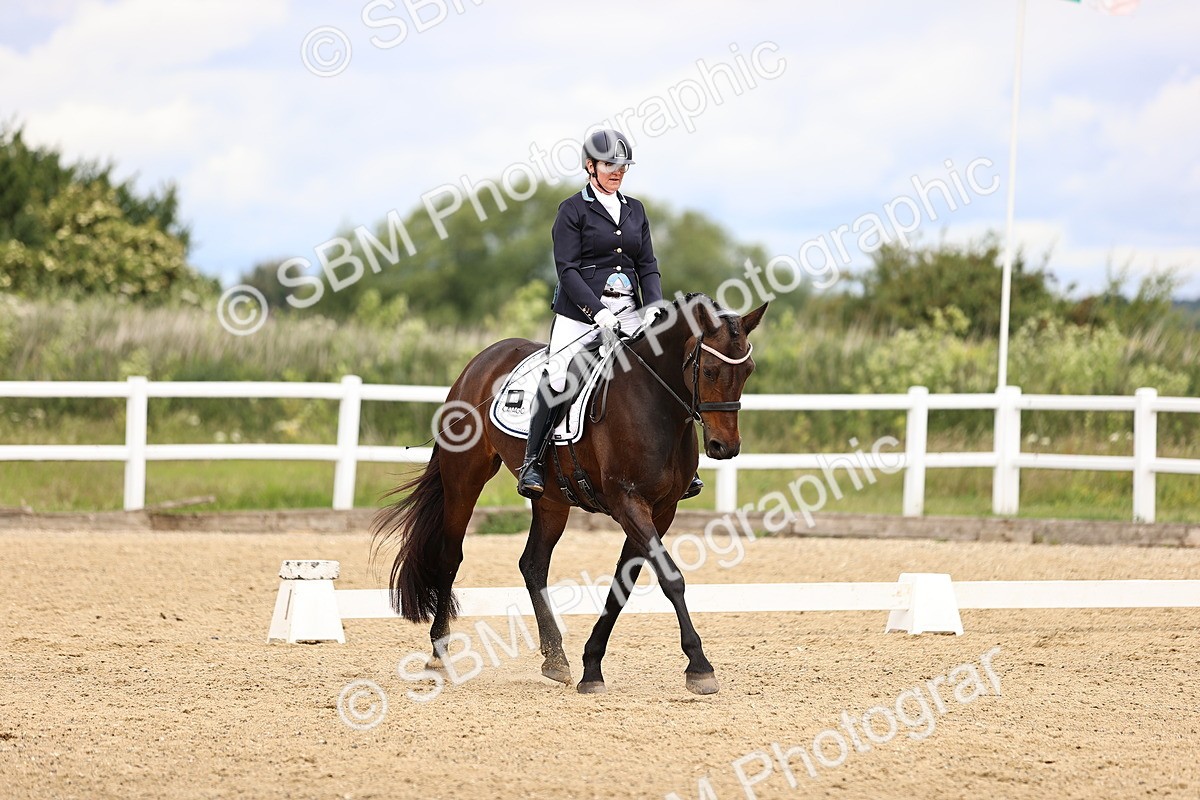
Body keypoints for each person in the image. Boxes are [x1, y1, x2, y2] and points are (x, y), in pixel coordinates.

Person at [516, 128, 704, 502]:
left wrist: (652, 307)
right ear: (591, 166)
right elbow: (567, 270)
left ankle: (685, 467)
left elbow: (647, 263)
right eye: (609, 165)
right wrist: (596, 311)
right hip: (581, 312)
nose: (617, 171)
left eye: (622, 165)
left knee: (666, 366)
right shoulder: (572, 210)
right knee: (558, 375)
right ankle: (533, 462)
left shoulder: (635, 209)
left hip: (630, 308)